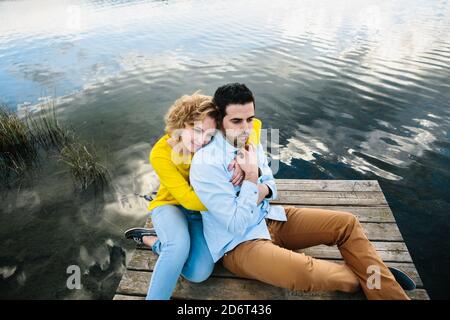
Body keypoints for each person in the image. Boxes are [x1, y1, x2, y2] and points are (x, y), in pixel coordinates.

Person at [189, 83, 415, 300]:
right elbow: (236, 223)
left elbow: (272, 187)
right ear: (219, 121)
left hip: (268, 218)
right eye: (236, 121)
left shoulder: (249, 143)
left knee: (346, 223)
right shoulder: (206, 163)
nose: (246, 128)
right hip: (238, 245)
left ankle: (380, 283)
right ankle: (375, 276)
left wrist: (257, 183)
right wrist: (250, 178)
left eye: (250, 119)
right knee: (308, 272)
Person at [124, 91, 262, 300]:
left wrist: (244, 156)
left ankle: (155, 243)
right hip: (172, 206)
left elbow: (257, 125)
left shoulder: (211, 138)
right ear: (181, 123)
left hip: (201, 211)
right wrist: (229, 202)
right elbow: (187, 198)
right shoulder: (160, 153)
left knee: (199, 273)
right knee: (178, 246)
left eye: (209, 135)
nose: (202, 141)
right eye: (196, 131)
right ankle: (159, 247)